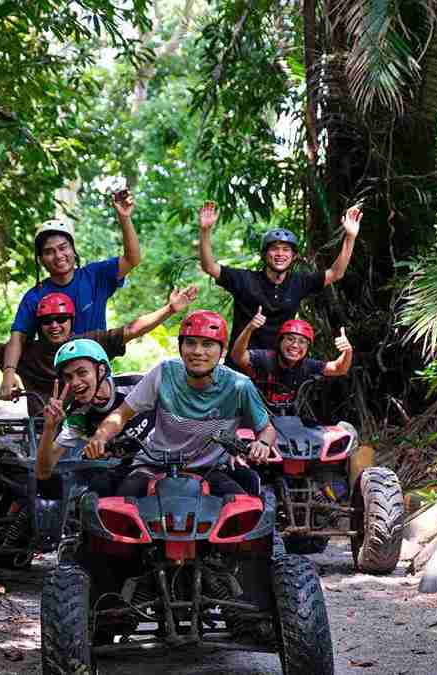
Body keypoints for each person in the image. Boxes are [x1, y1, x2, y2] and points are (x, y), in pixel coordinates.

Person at [81, 310, 277, 498]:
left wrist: (263, 443)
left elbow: (266, 428)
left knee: (241, 510)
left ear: (222, 350)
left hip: (211, 469)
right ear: (181, 347)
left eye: (208, 344)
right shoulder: (164, 373)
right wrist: (100, 437)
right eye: (190, 343)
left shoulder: (239, 385)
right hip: (154, 463)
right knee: (123, 502)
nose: (198, 352)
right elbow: (122, 414)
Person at [0, 285, 198, 414]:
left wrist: (170, 309)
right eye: (47, 320)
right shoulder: (28, 353)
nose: (54, 325)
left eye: (61, 319)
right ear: (39, 324)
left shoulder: (89, 342)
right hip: (41, 431)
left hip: (90, 425)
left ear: (71, 321)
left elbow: (132, 330)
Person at [0, 190, 142, 399]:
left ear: (73, 249)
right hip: (56, 385)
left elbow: (132, 259)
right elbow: (17, 339)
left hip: (97, 380)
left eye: (63, 247)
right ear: (41, 259)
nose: (58, 256)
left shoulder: (95, 276)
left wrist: (124, 218)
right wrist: (8, 374)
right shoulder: (34, 296)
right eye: (49, 251)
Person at [197, 201, 362, 365]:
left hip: (277, 368)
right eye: (274, 249)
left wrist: (350, 236)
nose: (280, 254)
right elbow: (209, 267)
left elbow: (336, 273)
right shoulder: (244, 279)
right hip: (241, 365)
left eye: (286, 249)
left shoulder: (299, 282)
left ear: (294, 256)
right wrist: (205, 231)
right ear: (264, 254)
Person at [33, 340, 151, 492]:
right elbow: (42, 472)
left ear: (101, 370)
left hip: (159, 464)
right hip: (120, 472)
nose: (75, 382)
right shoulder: (78, 413)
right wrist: (50, 428)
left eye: (82, 373)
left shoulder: (135, 385)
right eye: (68, 377)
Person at [230, 310, 353, 414]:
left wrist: (347, 351)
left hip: (287, 420)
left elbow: (339, 368)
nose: (295, 345)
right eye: (290, 339)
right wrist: (249, 329)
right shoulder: (265, 358)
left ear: (307, 347)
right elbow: (237, 356)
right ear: (280, 342)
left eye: (302, 342)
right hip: (252, 416)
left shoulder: (307, 365)